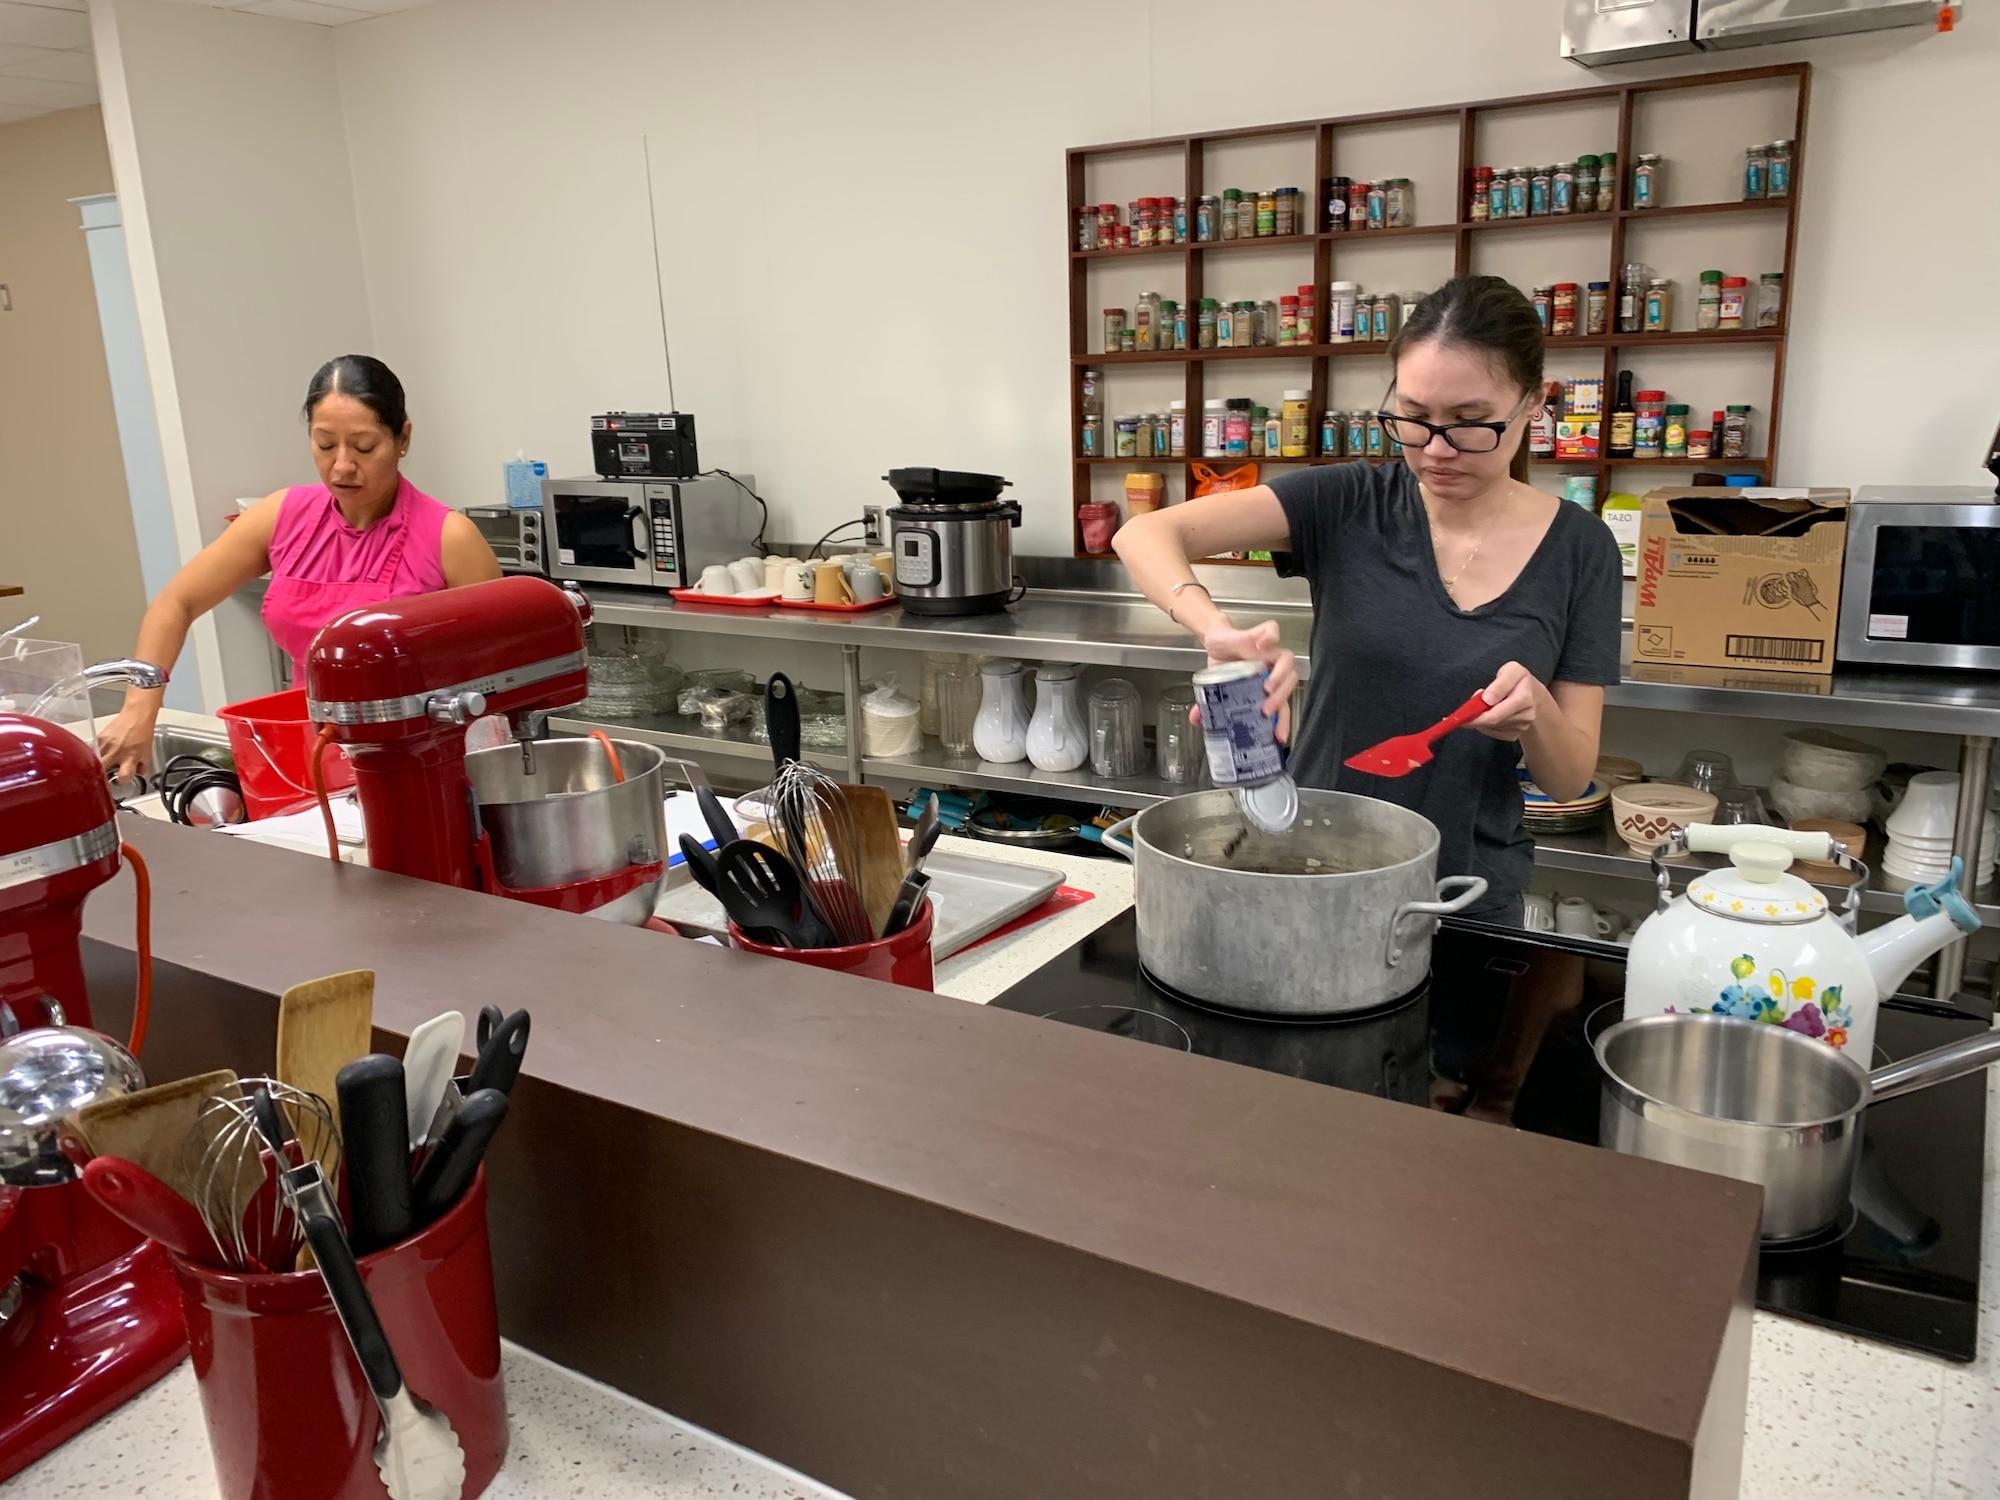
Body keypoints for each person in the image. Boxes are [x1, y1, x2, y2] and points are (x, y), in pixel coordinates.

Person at [1115, 275, 1621, 925]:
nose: (1435, 451)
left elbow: (1567, 775)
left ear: (1534, 402)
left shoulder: (1582, 549)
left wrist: (1538, 713)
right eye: (1413, 418)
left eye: (1469, 424)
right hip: (1312, 868)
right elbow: (1145, 533)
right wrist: (1213, 627)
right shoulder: (1350, 503)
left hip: (1464, 893)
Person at [99, 355, 501, 779]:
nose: (342, 465)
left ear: (403, 438)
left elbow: (504, 673)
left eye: (364, 447)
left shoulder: (450, 538)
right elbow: (177, 601)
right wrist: (140, 708)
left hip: (424, 760)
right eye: (325, 445)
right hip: (308, 752)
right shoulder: (282, 516)